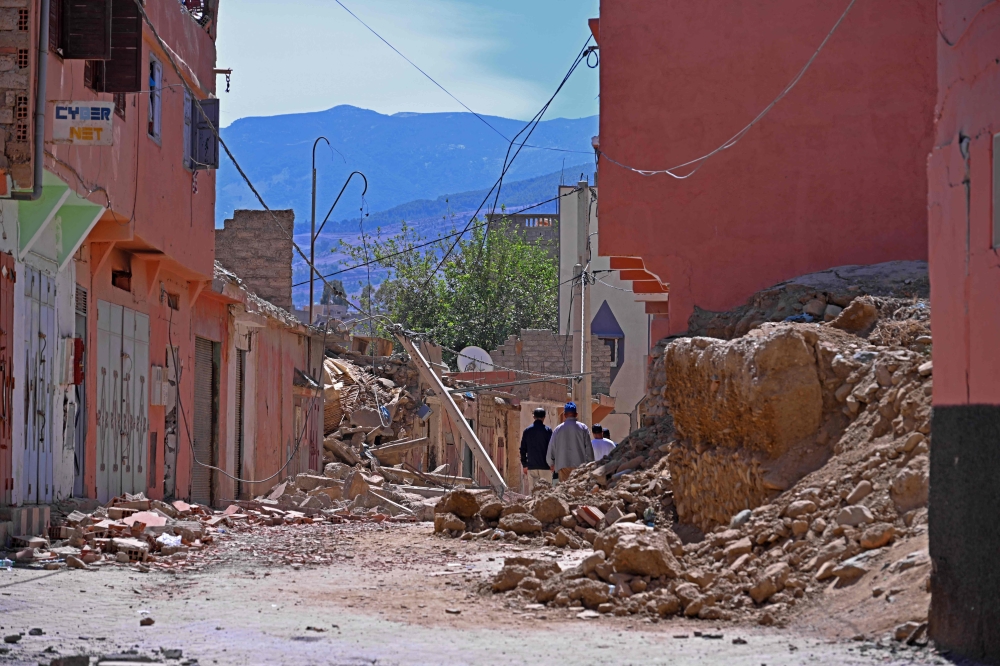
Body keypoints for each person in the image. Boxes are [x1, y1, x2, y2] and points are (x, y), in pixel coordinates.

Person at [546, 401, 594, 482]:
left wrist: (551, 463)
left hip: (563, 465)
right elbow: (589, 448)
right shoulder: (583, 428)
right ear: (576, 414)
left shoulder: (558, 429)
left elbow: (552, 447)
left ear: (564, 415)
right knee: (578, 490)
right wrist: (590, 463)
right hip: (579, 466)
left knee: (564, 491)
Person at [520, 407, 553, 493]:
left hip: (532, 467)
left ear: (533, 417)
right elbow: (552, 448)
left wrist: (524, 464)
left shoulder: (527, 431)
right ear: (544, 417)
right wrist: (552, 463)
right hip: (545, 467)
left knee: (534, 492)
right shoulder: (548, 431)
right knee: (547, 493)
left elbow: (523, 449)